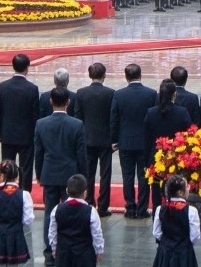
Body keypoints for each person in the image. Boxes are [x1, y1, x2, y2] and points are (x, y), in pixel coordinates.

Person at [34, 88, 87, 267]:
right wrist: (83, 177)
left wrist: (39, 173)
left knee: (50, 212)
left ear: (50, 102)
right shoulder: (77, 124)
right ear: (69, 102)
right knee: (70, 212)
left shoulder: (41, 124)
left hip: (49, 173)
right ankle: (67, 249)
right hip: (70, 174)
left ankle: (49, 252)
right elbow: (81, 155)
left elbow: (38, 152)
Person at [49, 173, 105, 267]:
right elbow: (97, 233)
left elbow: (52, 232)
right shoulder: (90, 211)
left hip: (64, 251)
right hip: (84, 252)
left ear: (67, 191)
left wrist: (54, 248)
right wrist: (99, 250)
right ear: (85, 192)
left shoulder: (57, 209)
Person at [109, 63, 157, 220]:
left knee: (127, 176)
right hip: (145, 142)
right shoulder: (151, 94)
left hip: (125, 142)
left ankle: (130, 208)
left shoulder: (119, 94)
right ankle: (142, 209)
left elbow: (114, 119)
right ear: (140, 75)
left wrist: (114, 139)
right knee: (144, 176)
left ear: (126, 76)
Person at [150, 175, 201, 267]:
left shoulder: (161, 209)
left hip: (166, 249)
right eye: (187, 186)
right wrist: (186, 244)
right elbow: (195, 235)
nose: (189, 188)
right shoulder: (191, 211)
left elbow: (156, 232)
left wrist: (166, 242)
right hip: (184, 250)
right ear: (180, 192)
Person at [144, 80, 194, 209]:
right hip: (176, 159)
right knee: (177, 193)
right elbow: (189, 136)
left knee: (156, 197)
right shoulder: (182, 112)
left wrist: (146, 162)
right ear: (174, 94)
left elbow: (147, 139)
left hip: (156, 158)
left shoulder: (151, 112)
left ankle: (158, 222)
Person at [74, 62, 115, 217]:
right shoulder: (111, 93)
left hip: (87, 139)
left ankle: (89, 201)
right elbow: (113, 118)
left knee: (88, 173)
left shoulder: (81, 93)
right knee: (105, 174)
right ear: (104, 75)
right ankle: (103, 206)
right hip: (105, 140)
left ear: (90, 75)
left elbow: (78, 117)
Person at [0, 54, 40, 192]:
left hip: (7, 133)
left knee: (7, 165)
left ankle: (6, 190)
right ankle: (24, 193)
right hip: (26, 135)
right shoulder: (32, 88)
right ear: (27, 68)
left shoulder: (2, 86)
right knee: (25, 168)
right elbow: (35, 115)